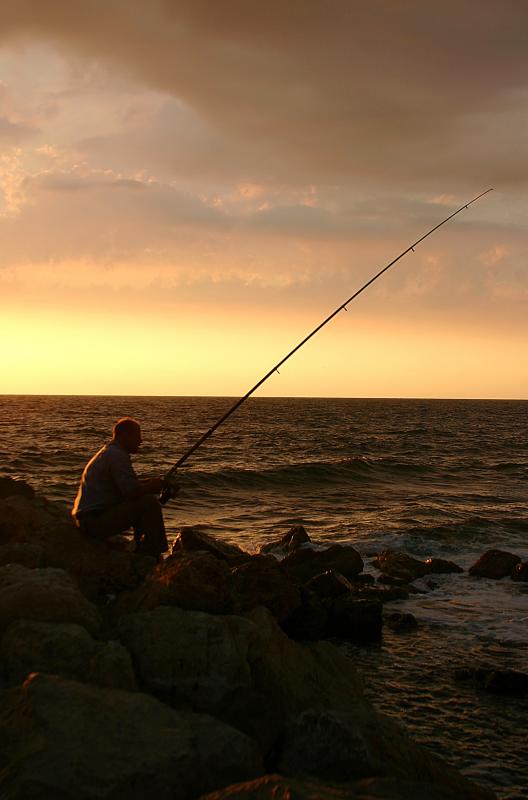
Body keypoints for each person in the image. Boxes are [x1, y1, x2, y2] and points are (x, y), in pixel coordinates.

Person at [72, 417, 168, 557]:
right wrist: (151, 487)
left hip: (89, 520)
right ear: (125, 436)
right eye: (137, 436)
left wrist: (149, 483)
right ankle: (152, 552)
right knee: (149, 503)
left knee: (143, 500)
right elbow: (131, 492)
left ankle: (140, 545)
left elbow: (126, 486)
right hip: (93, 523)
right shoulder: (116, 456)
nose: (140, 441)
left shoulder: (110, 453)